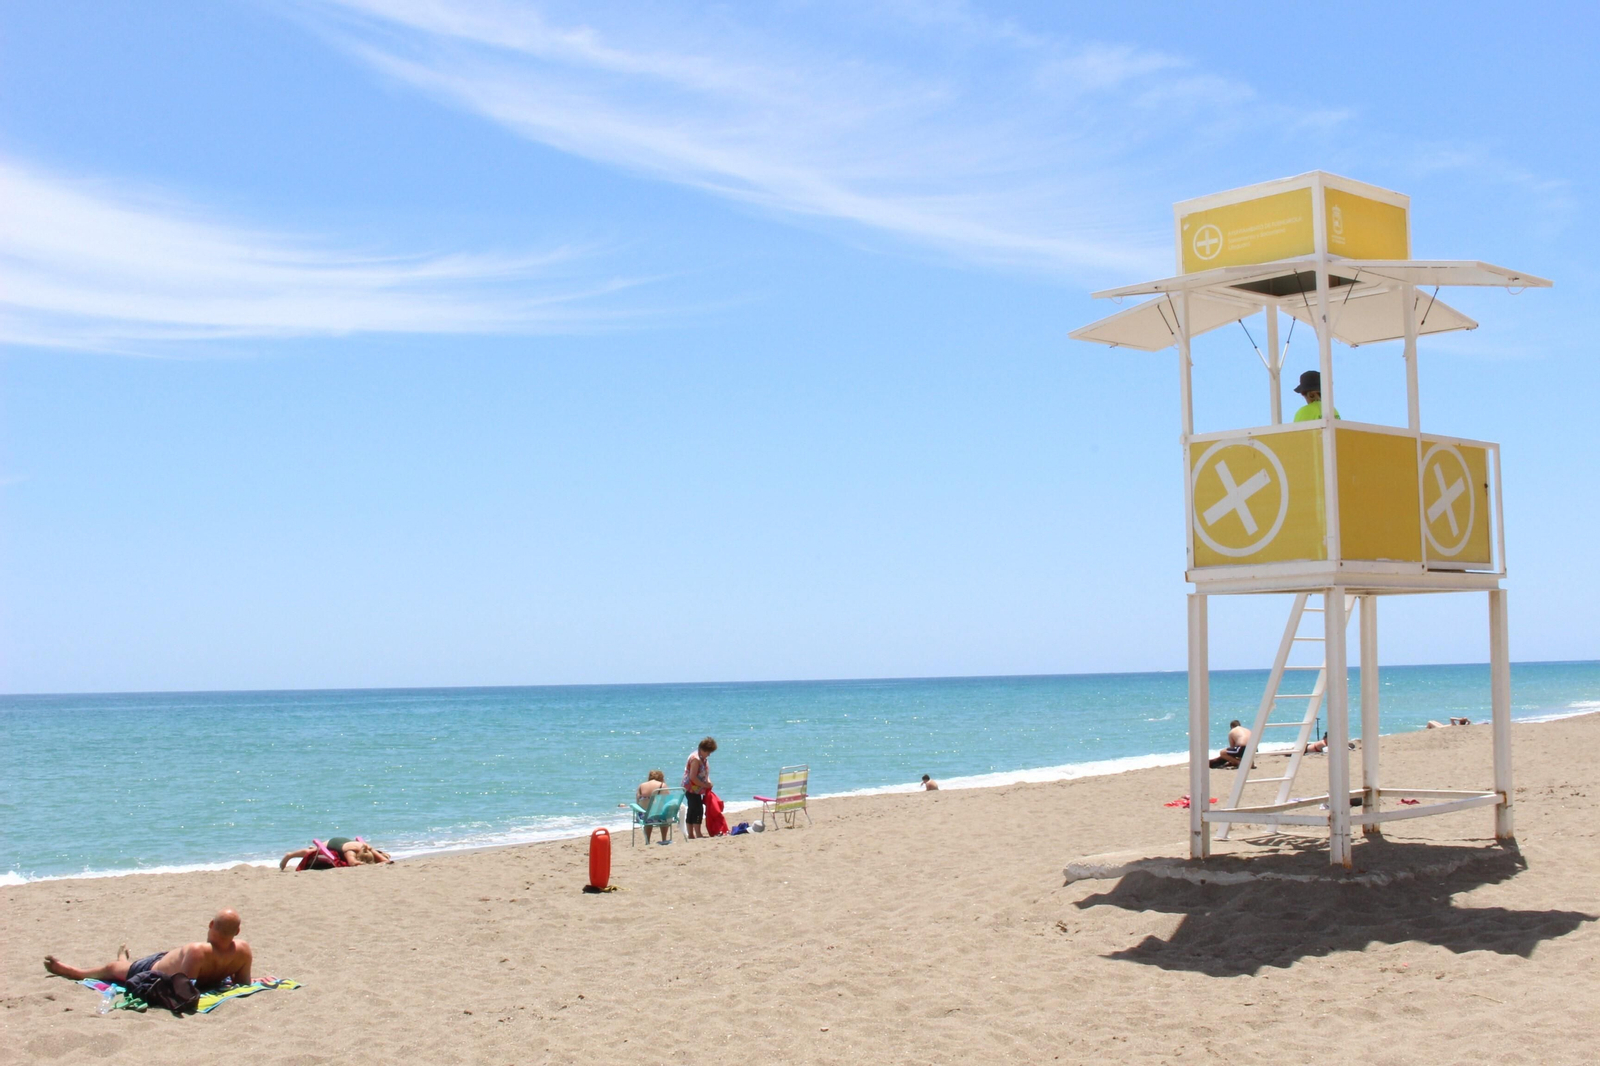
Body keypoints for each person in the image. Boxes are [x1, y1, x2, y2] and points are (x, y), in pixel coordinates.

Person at [44, 908, 252, 992]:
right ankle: (121, 958)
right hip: (167, 960)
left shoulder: (198, 951)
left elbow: (183, 990)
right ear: (238, 930)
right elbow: (243, 983)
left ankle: (74, 972)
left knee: (112, 969)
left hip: (153, 968)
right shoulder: (243, 950)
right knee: (122, 965)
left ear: (210, 924)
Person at [279, 837, 391, 870]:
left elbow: (385, 860)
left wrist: (381, 861)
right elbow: (352, 863)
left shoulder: (367, 848)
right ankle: (289, 855)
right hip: (333, 843)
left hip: (345, 841)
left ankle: (312, 847)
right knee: (312, 852)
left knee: (313, 850)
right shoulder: (350, 851)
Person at [683, 737, 717, 840]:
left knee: (693, 809)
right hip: (691, 788)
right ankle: (696, 833)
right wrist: (704, 785)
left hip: (697, 788)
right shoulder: (696, 759)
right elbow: (692, 777)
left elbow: (704, 773)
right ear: (703, 749)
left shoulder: (703, 758)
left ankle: (692, 834)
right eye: (708, 752)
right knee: (697, 809)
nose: (709, 754)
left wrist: (708, 781)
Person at [636, 769, 672, 844]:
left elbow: (638, 802)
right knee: (665, 814)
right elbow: (668, 801)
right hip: (659, 817)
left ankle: (647, 840)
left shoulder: (641, 786)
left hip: (644, 818)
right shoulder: (662, 785)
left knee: (647, 813)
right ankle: (664, 839)